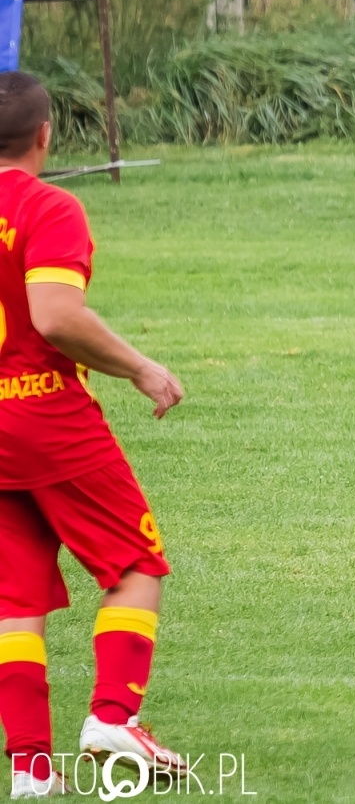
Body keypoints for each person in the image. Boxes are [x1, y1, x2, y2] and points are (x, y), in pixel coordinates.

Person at [0, 72, 189, 798]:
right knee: (136, 563)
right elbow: (54, 315)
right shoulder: (47, 205)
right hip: (45, 414)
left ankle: (29, 767)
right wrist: (140, 367)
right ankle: (113, 715)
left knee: (14, 597)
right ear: (46, 136)